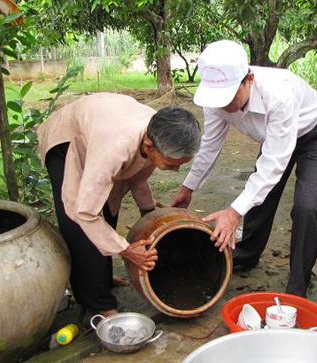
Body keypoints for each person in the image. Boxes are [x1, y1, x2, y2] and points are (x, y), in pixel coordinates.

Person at [170, 40, 317, 297]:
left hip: (313, 134)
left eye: (229, 96)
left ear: (249, 79)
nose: (223, 105)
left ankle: (298, 285)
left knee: (306, 207)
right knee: (258, 200)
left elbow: (275, 162)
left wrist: (234, 212)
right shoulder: (215, 100)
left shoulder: (280, 93)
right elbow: (211, 144)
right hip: (273, 140)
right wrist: (188, 188)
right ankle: (246, 254)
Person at [37, 92, 201, 317]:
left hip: (100, 126)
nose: (176, 170)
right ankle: (98, 303)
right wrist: (126, 250)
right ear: (148, 145)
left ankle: (101, 276)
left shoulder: (160, 132)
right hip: (67, 139)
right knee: (79, 222)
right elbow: (85, 212)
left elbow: (138, 177)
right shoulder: (115, 148)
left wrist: (149, 213)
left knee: (107, 210)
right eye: (171, 165)